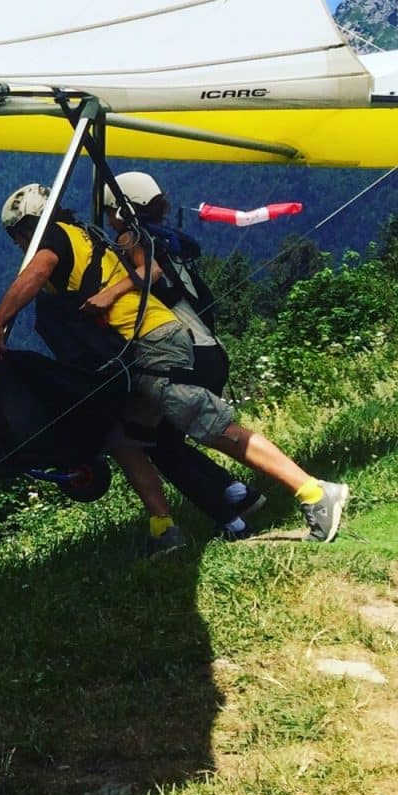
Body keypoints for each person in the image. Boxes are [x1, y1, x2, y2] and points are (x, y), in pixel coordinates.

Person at [0, 183, 349, 555]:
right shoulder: (80, 236)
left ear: (29, 225)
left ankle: (316, 492)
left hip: (150, 340)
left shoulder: (56, 238)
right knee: (125, 439)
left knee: (211, 425)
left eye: (17, 235)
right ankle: (164, 530)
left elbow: (37, 270)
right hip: (137, 347)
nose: (18, 244)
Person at [107, 170, 263, 539]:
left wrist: (107, 295)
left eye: (112, 211)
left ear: (124, 210)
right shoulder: (167, 241)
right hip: (209, 350)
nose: (109, 219)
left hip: (184, 356)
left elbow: (149, 275)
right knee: (168, 439)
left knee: (156, 445)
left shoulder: (133, 240)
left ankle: (232, 523)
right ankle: (236, 492)